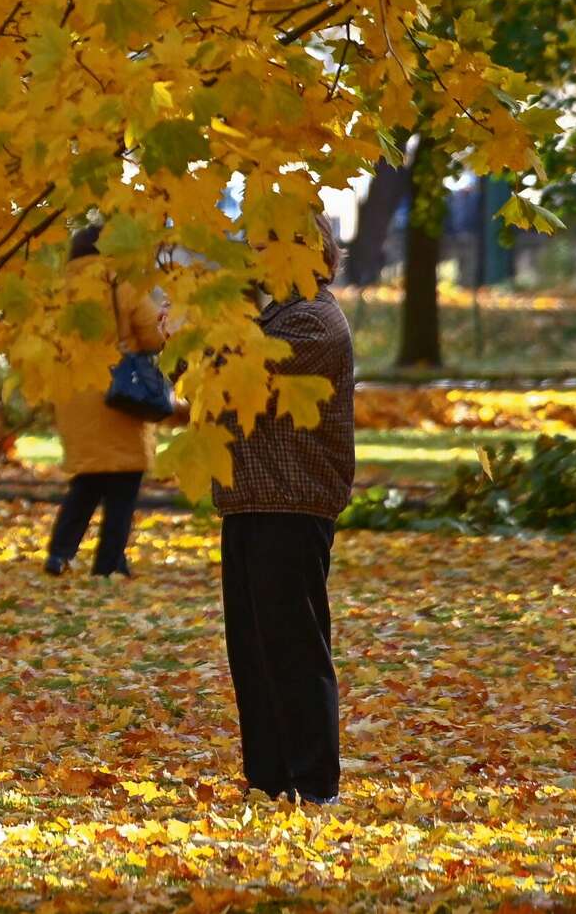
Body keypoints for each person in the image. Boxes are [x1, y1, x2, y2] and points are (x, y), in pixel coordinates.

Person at [215, 211, 355, 804]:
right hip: (251, 498)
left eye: (272, 243)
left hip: (292, 501)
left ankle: (314, 778)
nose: (260, 253)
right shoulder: (273, 315)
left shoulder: (311, 322)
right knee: (251, 646)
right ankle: (268, 776)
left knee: (293, 643)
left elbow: (234, 372)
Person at [45, 224, 170, 577]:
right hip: (119, 394)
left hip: (73, 396)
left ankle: (59, 553)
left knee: (86, 483)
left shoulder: (58, 291)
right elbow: (152, 336)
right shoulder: (120, 284)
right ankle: (107, 564)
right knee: (122, 488)